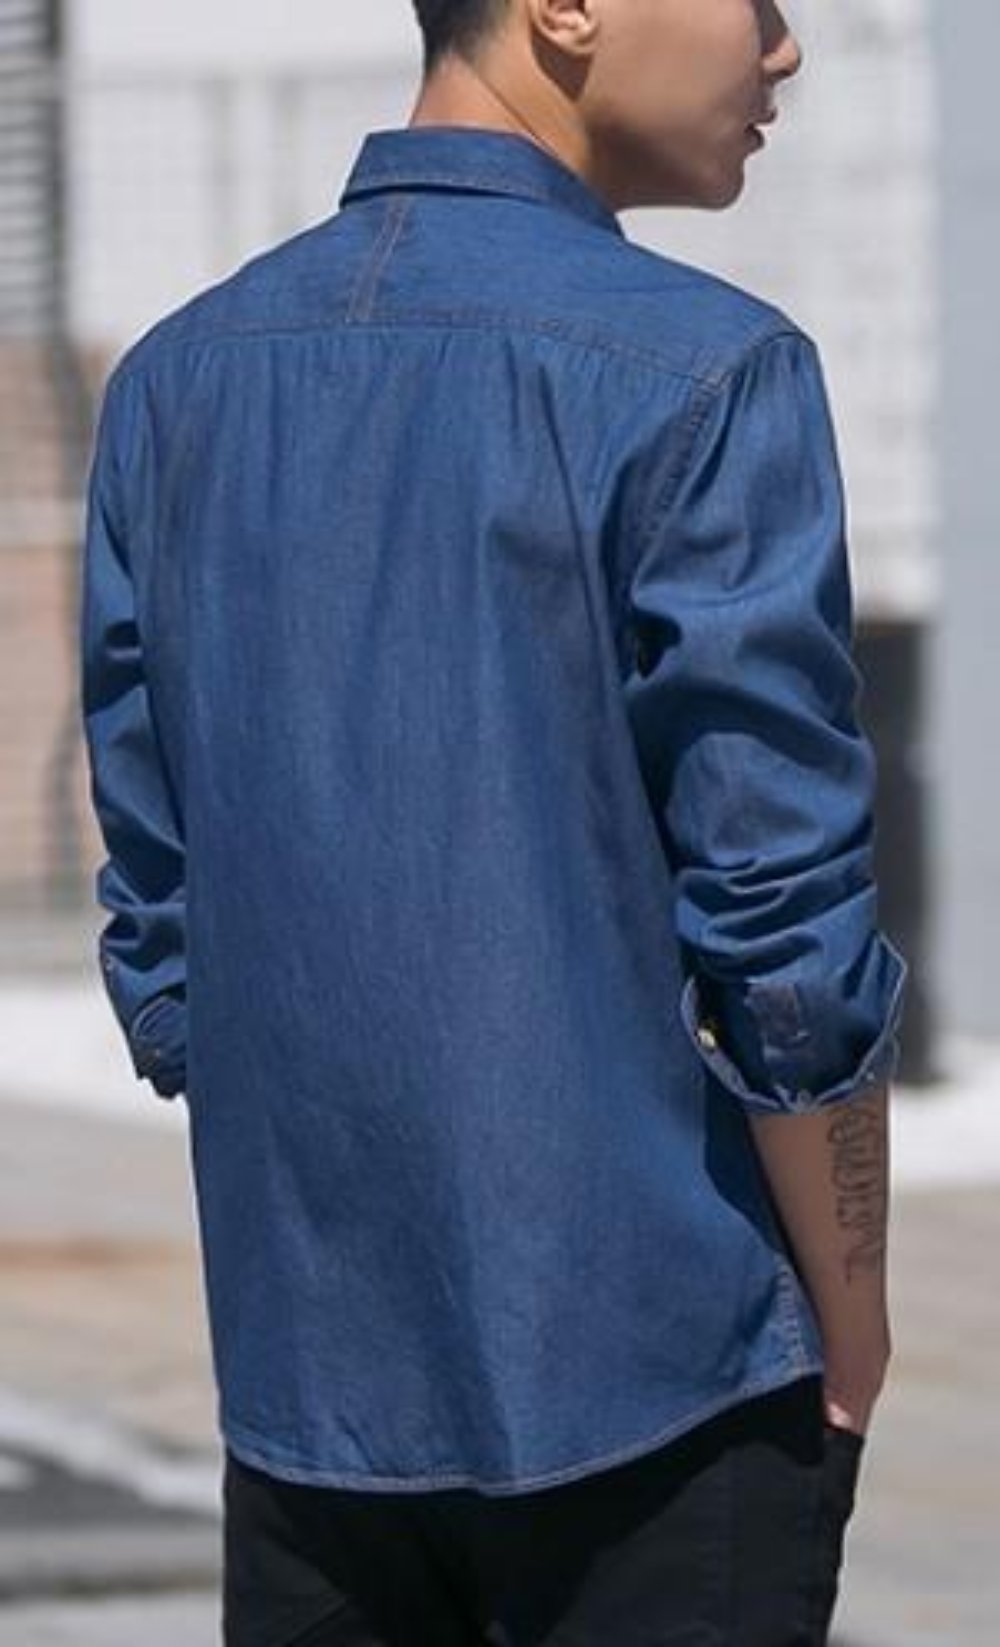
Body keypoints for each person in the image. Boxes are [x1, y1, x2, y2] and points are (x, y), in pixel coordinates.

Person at [79, 1, 908, 1642]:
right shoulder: (708, 373)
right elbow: (786, 947)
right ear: (568, 7)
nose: (785, 48)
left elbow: (164, 922)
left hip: (310, 1400)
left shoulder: (177, 381)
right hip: (662, 1390)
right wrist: (856, 1302)